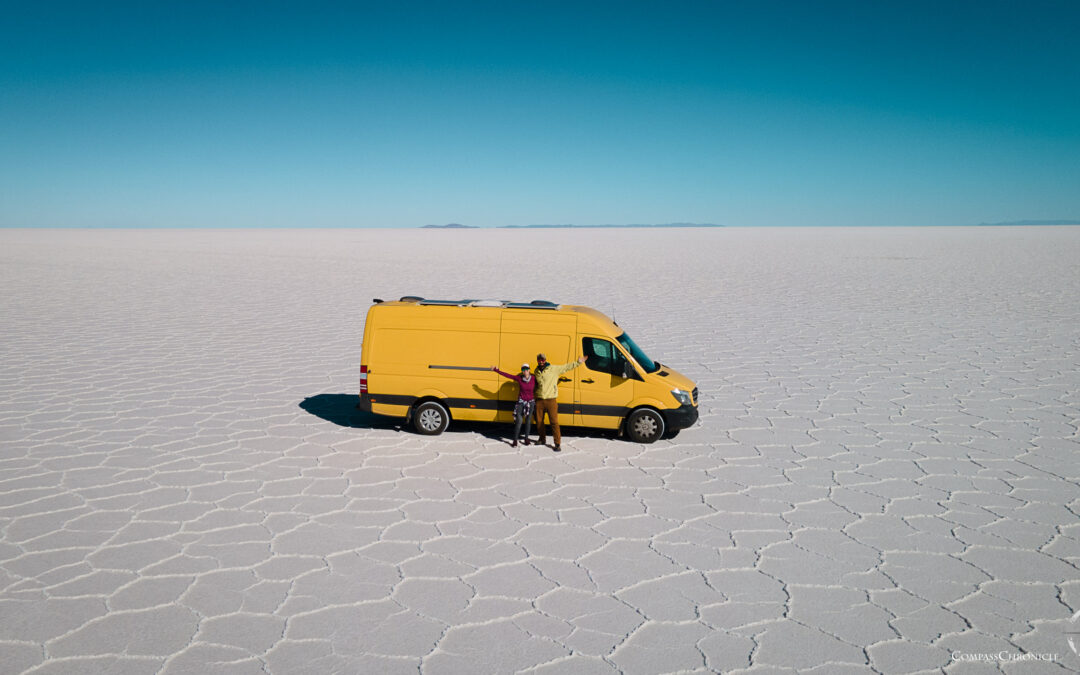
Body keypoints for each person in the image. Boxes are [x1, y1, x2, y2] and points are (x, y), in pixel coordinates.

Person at [533, 352, 586, 452]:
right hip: (539, 400)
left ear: (545, 360)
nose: (541, 362)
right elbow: (536, 384)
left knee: (554, 422)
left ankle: (557, 443)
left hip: (551, 400)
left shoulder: (553, 369)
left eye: (542, 360)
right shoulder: (536, 371)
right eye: (539, 360)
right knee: (539, 422)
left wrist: (578, 362)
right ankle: (542, 439)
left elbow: (566, 367)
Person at [492, 363, 536, 447]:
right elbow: (507, 375)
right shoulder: (519, 378)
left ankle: (526, 439)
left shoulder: (534, 378)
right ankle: (515, 440)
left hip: (530, 403)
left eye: (526, 369)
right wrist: (496, 370)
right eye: (523, 370)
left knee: (528, 421)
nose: (525, 371)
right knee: (519, 421)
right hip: (520, 402)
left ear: (529, 370)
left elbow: (544, 380)